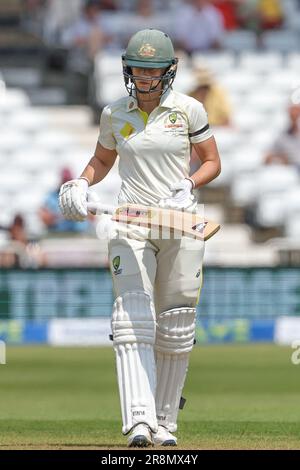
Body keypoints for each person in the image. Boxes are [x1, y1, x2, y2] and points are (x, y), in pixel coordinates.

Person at [58, 29, 221, 447]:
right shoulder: (115, 113)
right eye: (137, 69)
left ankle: (165, 422)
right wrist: (81, 183)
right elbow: (101, 159)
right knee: (132, 316)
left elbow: (212, 162)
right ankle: (139, 421)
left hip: (180, 220)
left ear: (169, 71)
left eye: (152, 70)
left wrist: (189, 184)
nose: (144, 77)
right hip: (129, 221)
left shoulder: (189, 110)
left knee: (177, 322)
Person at [40, 168, 92, 234]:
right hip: (59, 234)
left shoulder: (82, 194)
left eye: (69, 181)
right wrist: (60, 216)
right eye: (65, 181)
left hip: (80, 233)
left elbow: (92, 217)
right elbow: (44, 217)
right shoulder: (52, 196)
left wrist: (80, 212)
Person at [264, 103, 300, 169]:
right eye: (292, 113)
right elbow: (267, 158)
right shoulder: (281, 136)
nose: (295, 116)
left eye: (297, 113)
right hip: (291, 171)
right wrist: (281, 158)